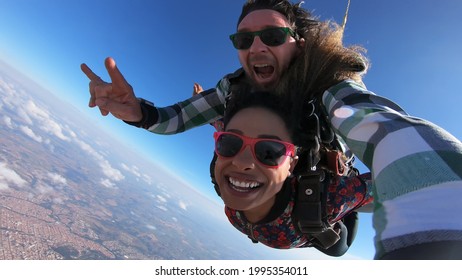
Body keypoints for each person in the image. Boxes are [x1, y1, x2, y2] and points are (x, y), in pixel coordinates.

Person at [81, 0, 462, 259]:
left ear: (298, 44)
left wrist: (440, 204)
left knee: (338, 241)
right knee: (235, 141)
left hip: (318, 200)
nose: (257, 47)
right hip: (261, 208)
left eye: (273, 37)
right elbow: (175, 118)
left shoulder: (328, 86)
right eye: (244, 40)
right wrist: (137, 112)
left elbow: (381, 126)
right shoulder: (233, 87)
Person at [214, 90, 372, 256]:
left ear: (292, 164)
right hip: (301, 223)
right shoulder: (226, 177)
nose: (241, 163)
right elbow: (221, 126)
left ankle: (351, 207)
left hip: (317, 219)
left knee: (338, 249)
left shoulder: (331, 197)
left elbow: (393, 181)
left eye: (269, 152)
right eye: (230, 143)